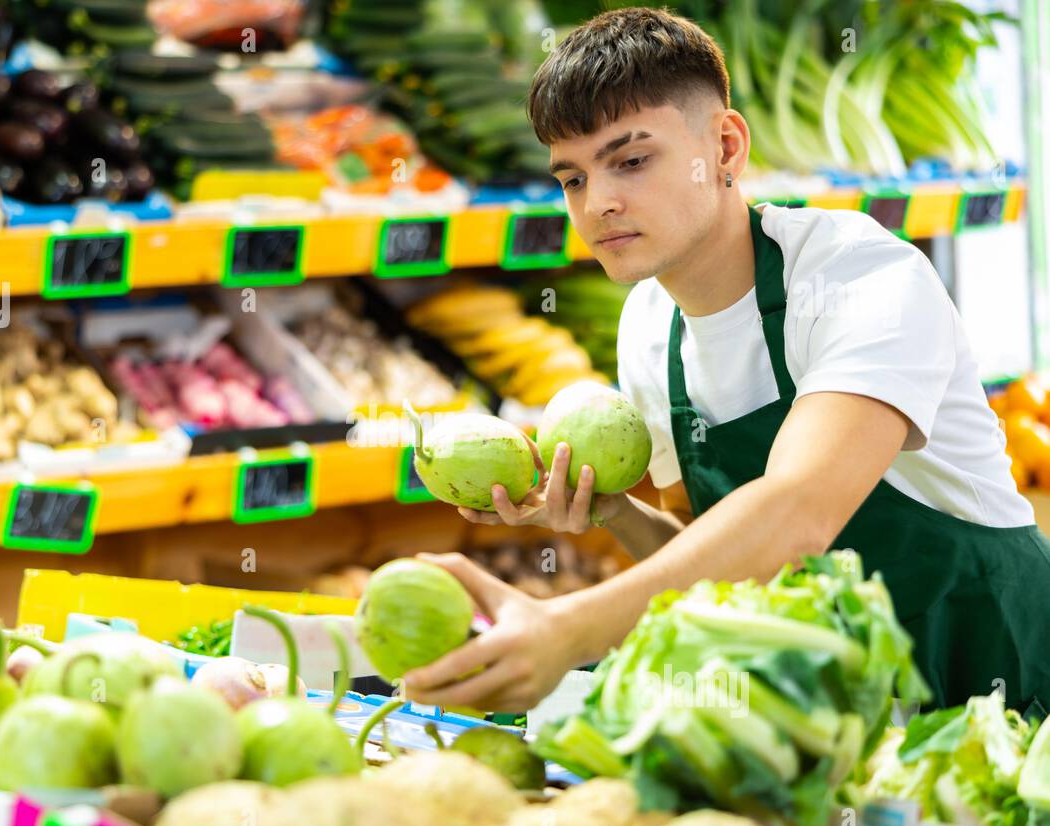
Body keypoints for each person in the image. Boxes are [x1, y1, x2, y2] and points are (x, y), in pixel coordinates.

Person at [403, 7, 1050, 717]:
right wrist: (616, 511)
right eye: (573, 179)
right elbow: (721, 564)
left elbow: (798, 514)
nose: (600, 205)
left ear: (725, 147)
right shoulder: (650, 328)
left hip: (1003, 694)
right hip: (842, 715)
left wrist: (568, 627)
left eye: (631, 160)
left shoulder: (860, 277)